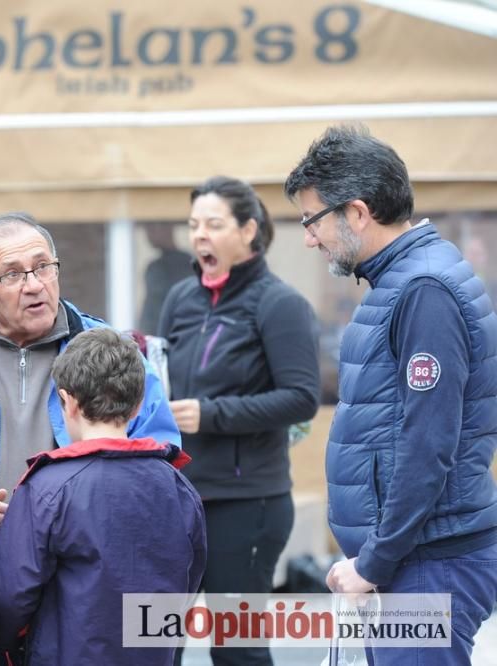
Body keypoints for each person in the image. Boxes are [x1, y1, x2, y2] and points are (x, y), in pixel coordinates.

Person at [286, 124, 497, 664]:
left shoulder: (423, 291)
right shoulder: (405, 281)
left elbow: (426, 445)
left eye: (313, 221)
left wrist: (373, 563)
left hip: (427, 562)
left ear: (357, 212)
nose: (309, 238)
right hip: (414, 557)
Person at [158, 176, 320, 666]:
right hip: (178, 497)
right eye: (192, 226)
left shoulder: (280, 304)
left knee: (236, 649)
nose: (199, 236)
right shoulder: (179, 300)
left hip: (247, 503)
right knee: (155, 640)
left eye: (213, 224)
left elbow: (301, 399)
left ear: (250, 230)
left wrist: (211, 415)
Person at [0, 211, 182, 537]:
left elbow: (160, 457)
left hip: (81, 561)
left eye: (43, 267)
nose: (34, 286)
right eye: (12, 275)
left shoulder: (111, 352)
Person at [0, 328, 206, 666]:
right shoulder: (178, 487)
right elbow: (189, 579)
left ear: (69, 402)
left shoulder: (46, 487)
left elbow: (11, 594)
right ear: (137, 407)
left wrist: (6, 644)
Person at [139, 222, 193, 334]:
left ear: (167, 228)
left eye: (152, 227)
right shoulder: (155, 266)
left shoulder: (186, 265)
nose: (148, 234)